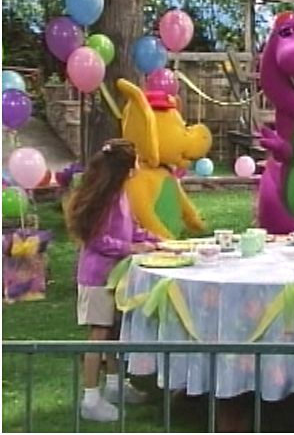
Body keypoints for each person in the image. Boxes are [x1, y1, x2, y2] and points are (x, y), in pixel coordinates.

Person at [66, 139, 160, 422]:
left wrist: (159, 242)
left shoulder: (120, 194)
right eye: (136, 161)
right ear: (125, 167)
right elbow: (97, 240)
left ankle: (115, 384)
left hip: (115, 276)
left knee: (115, 331)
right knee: (99, 334)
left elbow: (131, 230)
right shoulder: (102, 198)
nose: (139, 165)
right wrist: (131, 248)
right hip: (97, 277)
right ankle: (90, 397)